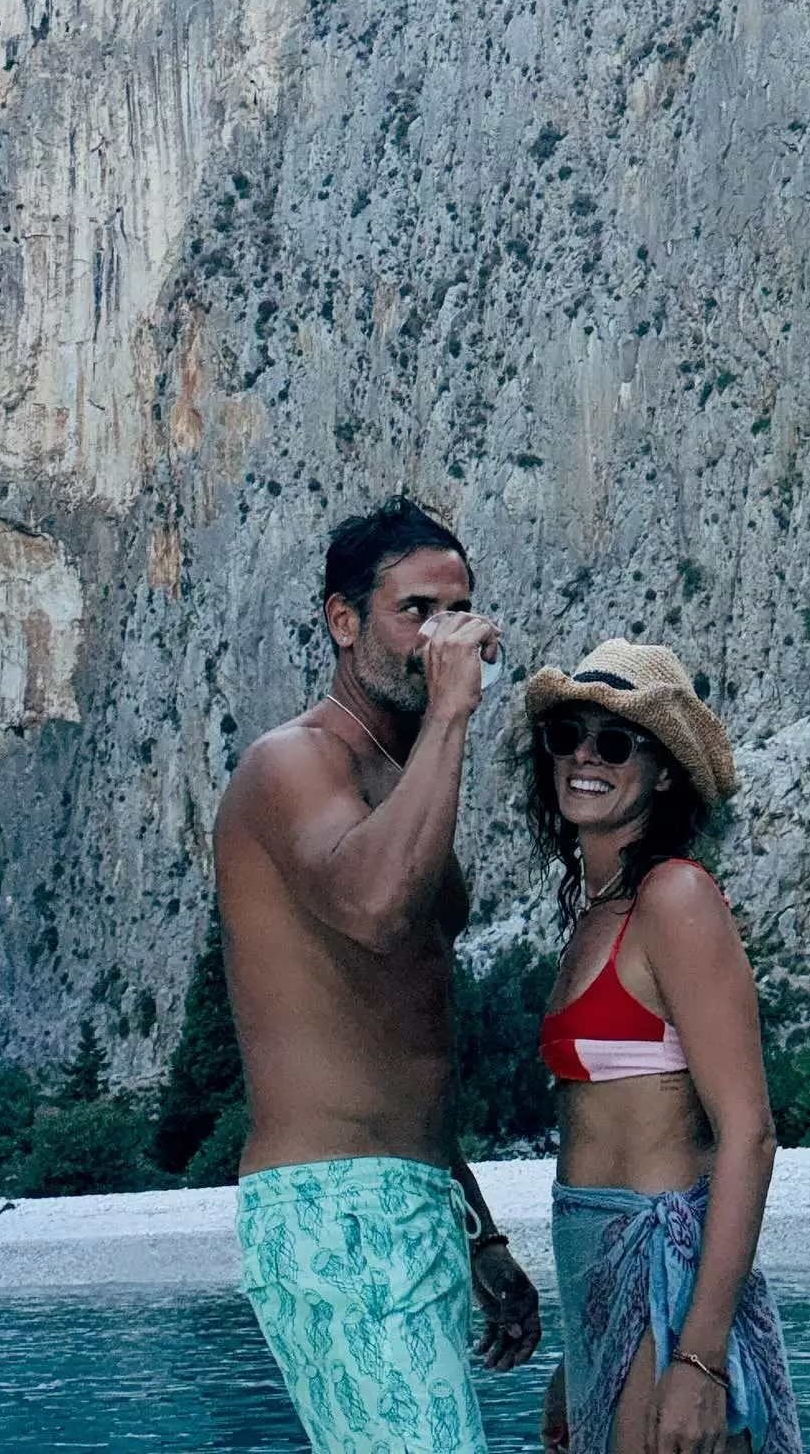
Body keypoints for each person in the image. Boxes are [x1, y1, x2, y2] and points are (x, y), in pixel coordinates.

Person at [214, 495, 542, 1454]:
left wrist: (479, 1232)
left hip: (415, 1195)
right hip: (337, 1207)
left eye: (459, 610)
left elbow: (402, 1042)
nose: (444, 634)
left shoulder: (402, 782)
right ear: (343, 620)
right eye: (416, 611)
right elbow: (375, 908)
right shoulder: (291, 762)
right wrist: (452, 713)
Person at [524, 639, 805, 1454]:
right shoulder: (598, 914)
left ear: (665, 773)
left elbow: (749, 1133)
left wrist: (700, 1358)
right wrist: (576, 1356)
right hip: (602, 1289)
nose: (585, 755)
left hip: (664, 1287)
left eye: (615, 742)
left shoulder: (675, 896)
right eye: (568, 734)